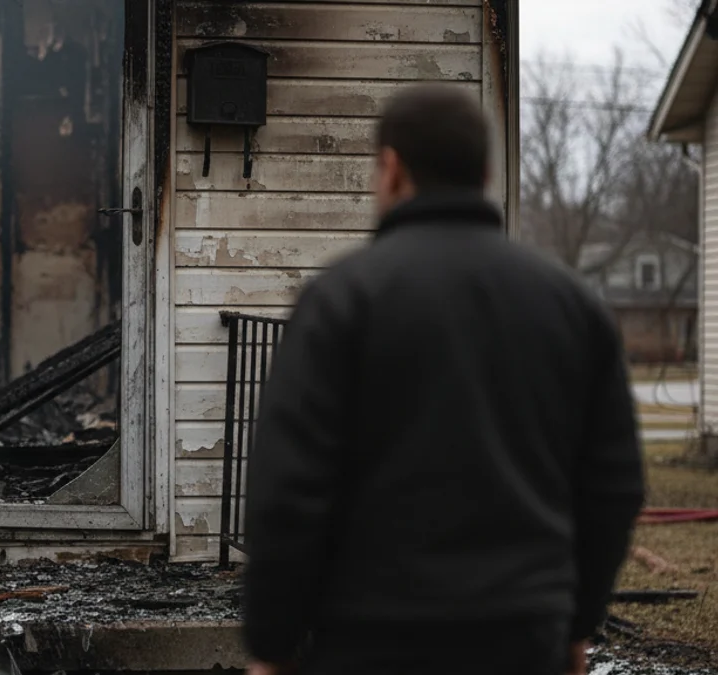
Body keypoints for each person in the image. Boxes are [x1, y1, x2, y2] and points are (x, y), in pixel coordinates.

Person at [241, 84, 645, 675]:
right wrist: (576, 622)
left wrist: (273, 643)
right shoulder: (572, 306)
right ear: (484, 174)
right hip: (523, 637)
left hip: (369, 639)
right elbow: (612, 487)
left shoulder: (341, 300)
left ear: (392, 169)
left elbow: (289, 490)